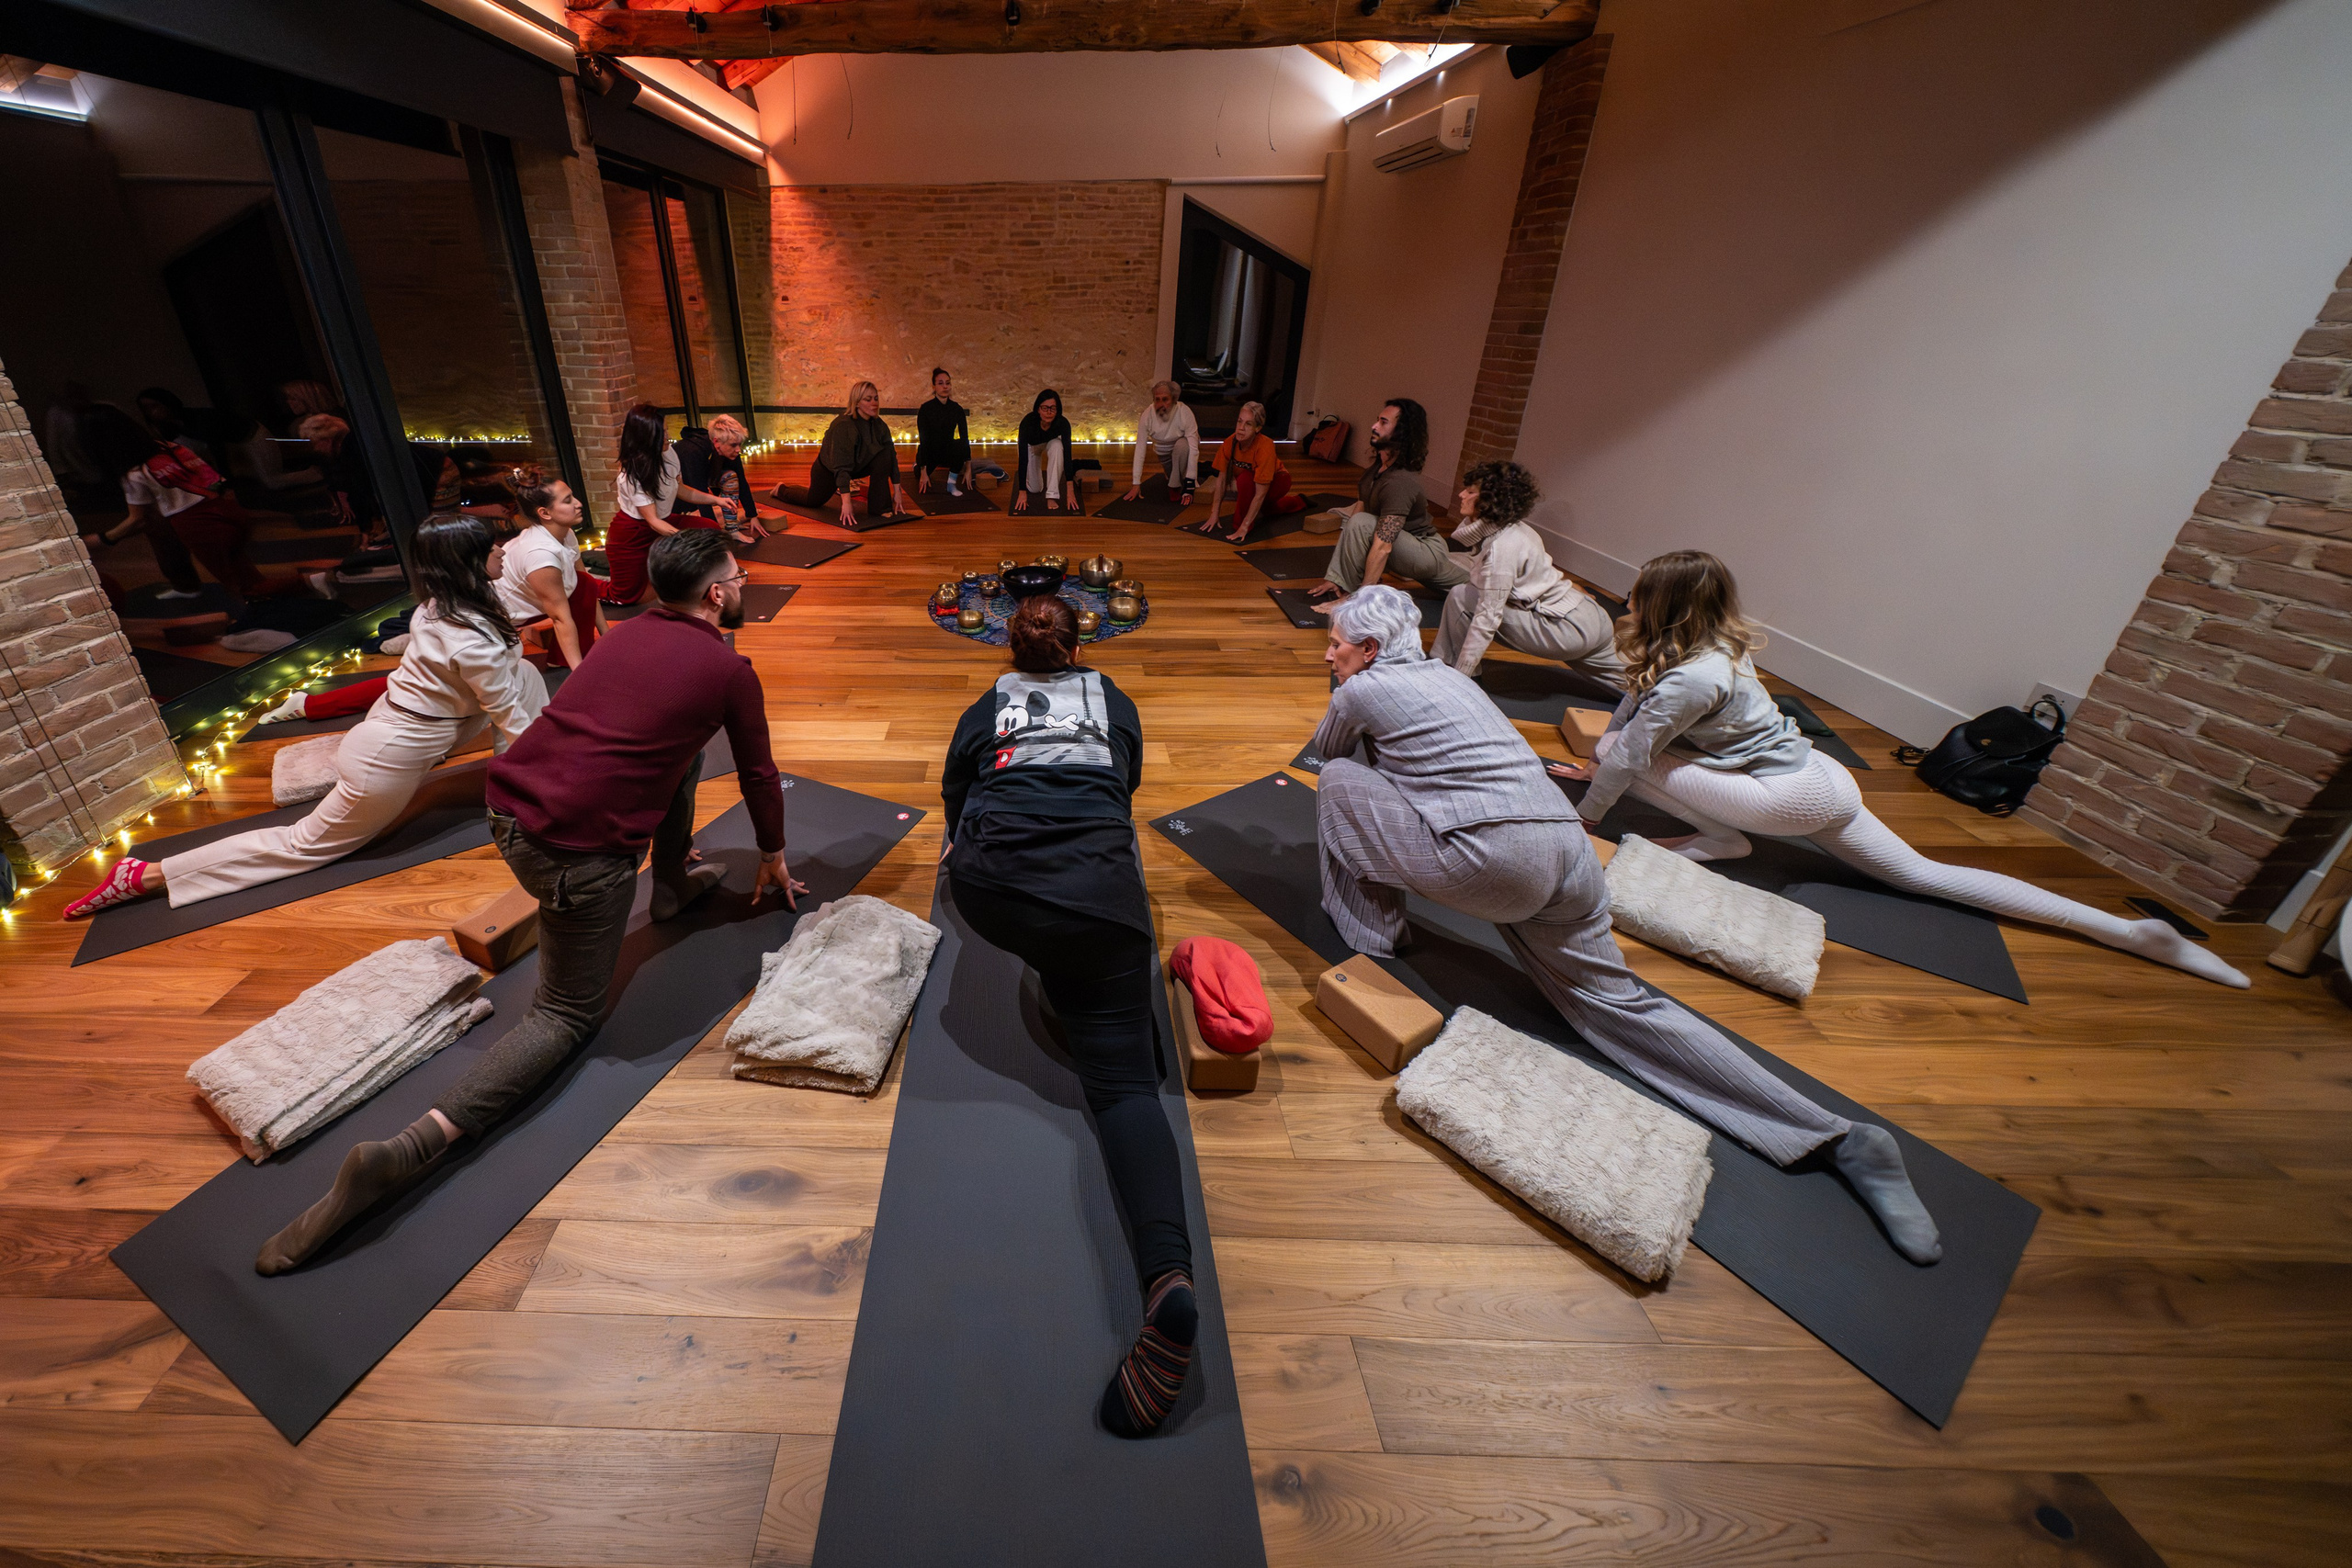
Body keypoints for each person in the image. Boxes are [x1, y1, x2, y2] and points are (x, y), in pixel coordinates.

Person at [1311, 585, 1945, 1264]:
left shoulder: (1359, 690)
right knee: (1621, 1002)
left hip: (1499, 862)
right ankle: (1837, 1135)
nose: (1330, 654)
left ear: (1370, 650)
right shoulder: (1449, 678)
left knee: (1345, 779)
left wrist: (1347, 709)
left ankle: (1373, 939)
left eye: (1337, 645)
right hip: (1568, 851)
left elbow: (1322, 754)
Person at [252, 528, 805, 1276]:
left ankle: (671, 882)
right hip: (579, 858)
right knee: (563, 1013)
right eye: (737, 576)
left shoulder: (627, 635)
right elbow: (760, 774)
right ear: (716, 593)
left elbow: (633, 736)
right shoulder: (729, 670)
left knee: (680, 750)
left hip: (508, 814)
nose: (741, 584)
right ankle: (411, 1149)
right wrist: (771, 852)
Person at [1551, 551, 2250, 989]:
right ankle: (2126, 933)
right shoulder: (1720, 649)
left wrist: (1584, 815)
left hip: (1781, 800)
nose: (1629, 600)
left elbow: (1633, 744)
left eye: (1639, 592)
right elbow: (1636, 703)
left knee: (1619, 756)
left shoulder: (1684, 680)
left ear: (1661, 606)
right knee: (1922, 874)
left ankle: (1726, 840)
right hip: (1823, 779)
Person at [940, 594, 1198, 1434]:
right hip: (1098, 900)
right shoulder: (1114, 701)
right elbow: (1121, 787)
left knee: (1044, 938)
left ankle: (1055, 960)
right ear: (1083, 647)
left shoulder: (985, 709)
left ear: (1005, 650)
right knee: (1125, 1089)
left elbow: (954, 799)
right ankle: (1167, 1278)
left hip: (993, 892)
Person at [63, 514, 548, 920]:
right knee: (304, 845)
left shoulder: (449, 604)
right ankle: (146, 874)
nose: (503, 549)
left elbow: (509, 688)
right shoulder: (465, 634)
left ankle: (510, 795)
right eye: (491, 544)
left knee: (524, 671)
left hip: (414, 728)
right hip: (392, 749)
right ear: (466, 561)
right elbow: (508, 716)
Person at [76, 403, 310, 609]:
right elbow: (212, 479)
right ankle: (291, 601)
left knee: (237, 585)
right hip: (227, 511)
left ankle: (303, 589)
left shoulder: (135, 473)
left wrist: (103, 539)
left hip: (197, 525)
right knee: (247, 575)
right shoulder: (169, 447)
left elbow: (139, 519)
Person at [1433, 460, 1625, 689]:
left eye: (1470, 491)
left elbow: (1488, 618)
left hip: (1565, 628)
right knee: (1633, 688)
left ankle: (1446, 673)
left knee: (1460, 597)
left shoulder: (1501, 549)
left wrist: (1461, 679)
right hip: (1592, 620)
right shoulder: (1520, 529)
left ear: (1490, 500)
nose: (1461, 494)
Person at [1305, 398, 1471, 610]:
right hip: (1410, 549)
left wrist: (1359, 599)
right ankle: (1481, 590)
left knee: (1363, 524)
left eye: (1384, 422)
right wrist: (1338, 577)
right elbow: (1357, 518)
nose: (1374, 426)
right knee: (1467, 591)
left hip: (1425, 550)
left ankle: (1361, 597)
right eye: (1377, 421)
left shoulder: (1399, 482)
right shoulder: (1375, 470)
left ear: (1402, 433)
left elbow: (1383, 546)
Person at [772, 380, 920, 531]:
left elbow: (891, 458)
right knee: (812, 500)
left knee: (884, 455)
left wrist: (897, 491)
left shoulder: (879, 425)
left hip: (858, 465)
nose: (874, 403)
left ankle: (880, 508)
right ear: (856, 403)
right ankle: (781, 489)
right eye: (868, 399)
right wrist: (846, 503)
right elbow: (841, 467)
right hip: (829, 470)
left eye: (876, 398)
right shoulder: (844, 425)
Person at [495, 471, 604, 671]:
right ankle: (571, 663)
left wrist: (607, 636)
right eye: (568, 500)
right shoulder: (540, 555)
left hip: (532, 602)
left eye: (573, 496)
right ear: (545, 513)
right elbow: (560, 618)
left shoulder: (567, 532)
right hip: (500, 617)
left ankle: (561, 657)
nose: (578, 504)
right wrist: (579, 673)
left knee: (585, 583)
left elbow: (585, 582)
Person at [1193, 400, 1306, 542]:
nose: (1241, 428)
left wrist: (1244, 526)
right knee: (1268, 509)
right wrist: (1214, 513)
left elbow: (1260, 493)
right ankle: (1300, 501)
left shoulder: (1265, 447)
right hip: (1253, 482)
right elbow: (1221, 480)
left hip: (1279, 480)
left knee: (1245, 480)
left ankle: (1243, 524)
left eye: (1248, 424)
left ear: (1258, 428)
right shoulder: (1229, 443)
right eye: (1239, 422)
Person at [673, 413, 765, 542]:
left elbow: (742, 482)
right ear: (716, 442)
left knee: (730, 477)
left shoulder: (729, 450)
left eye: (739, 444)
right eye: (734, 445)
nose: (738, 449)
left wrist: (752, 515)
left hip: (705, 477)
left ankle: (732, 529)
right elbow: (699, 492)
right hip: (679, 494)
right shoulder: (692, 452)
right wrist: (715, 533)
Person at [1122, 380, 1199, 506]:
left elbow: (1193, 447)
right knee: (1177, 474)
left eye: (1165, 399)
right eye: (1157, 400)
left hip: (1183, 450)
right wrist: (1136, 483)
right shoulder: (1147, 415)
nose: (1160, 404)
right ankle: (1177, 477)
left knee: (1182, 445)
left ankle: (1174, 486)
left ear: (1174, 400)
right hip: (1164, 456)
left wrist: (1190, 484)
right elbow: (1140, 448)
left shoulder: (1184, 412)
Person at [1012, 388, 1079, 514]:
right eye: (1045, 408)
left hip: (1050, 444)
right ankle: (1031, 480)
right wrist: (1022, 492)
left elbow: (1068, 456)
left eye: (1052, 408)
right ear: (1038, 409)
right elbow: (1023, 459)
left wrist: (1070, 492)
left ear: (1057, 410)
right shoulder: (1028, 423)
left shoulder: (1063, 424)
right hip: (1031, 447)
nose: (1049, 412)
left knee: (1058, 446)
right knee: (1035, 489)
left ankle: (1052, 495)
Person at [915, 367, 974, 496]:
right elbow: (923, 440)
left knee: (959, 445)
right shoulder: (926, 409)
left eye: (948, 383)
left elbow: (965, 438)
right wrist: (923, 472)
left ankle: (951, 484)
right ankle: (917, 466)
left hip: (947, 449)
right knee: (917, 475)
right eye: (940, 383)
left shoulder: (957, 409)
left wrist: (969, 468)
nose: (945, 386)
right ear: (934, 386)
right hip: (930, 451)